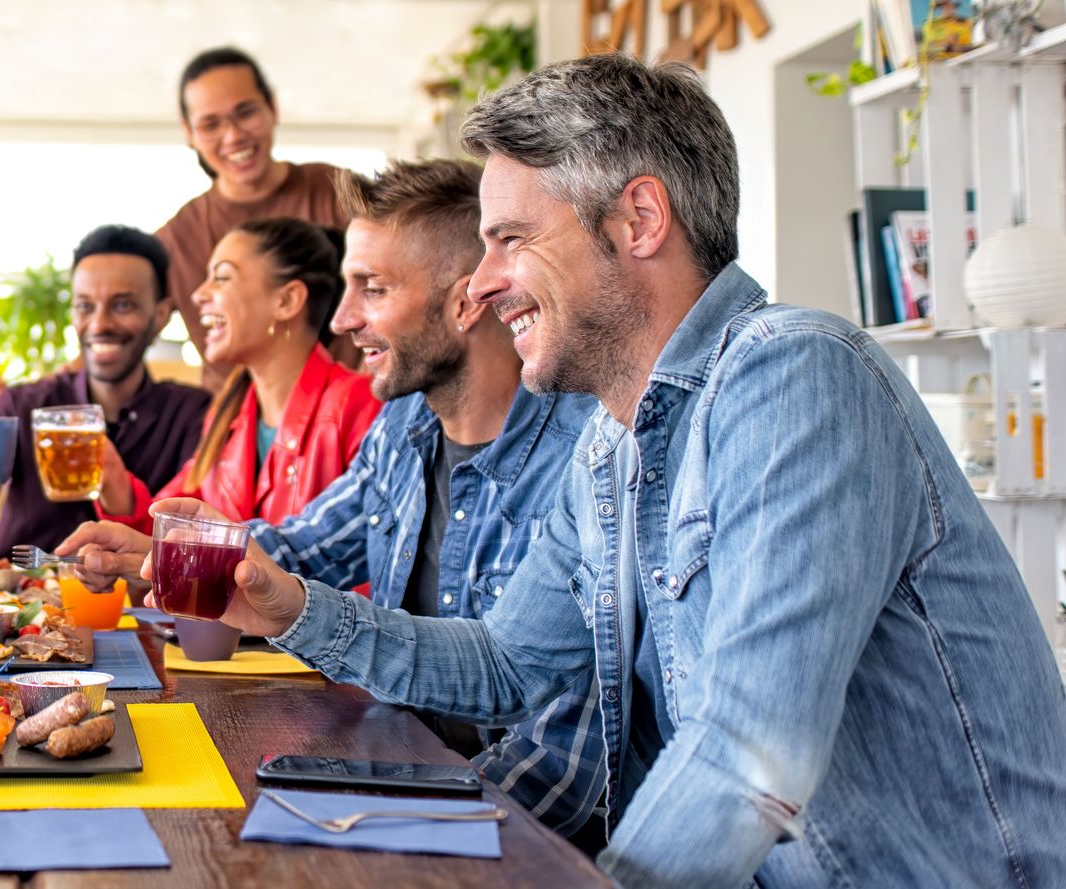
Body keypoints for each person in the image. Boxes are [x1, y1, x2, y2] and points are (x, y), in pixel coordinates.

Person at [111, 56, 1066, 887]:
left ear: (639, 218)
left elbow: (747, 755)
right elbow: (506, 664)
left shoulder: (793, 371)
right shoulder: (612, 443)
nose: (480, 286)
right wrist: (291, 609)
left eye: (510, 239)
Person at [64, 160, 606, 837]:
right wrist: (170, 551)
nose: (344, 318)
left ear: (468, 302)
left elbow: (567, 770)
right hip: (390, 770)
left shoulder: (584, 457)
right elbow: (307, 546)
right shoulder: (405, 426)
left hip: (482, 825)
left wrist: (394, 821)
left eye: (372, 289)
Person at [95, 218, 378, 538]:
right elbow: (165, 532)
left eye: (222, 277)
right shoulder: (229, 417)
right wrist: (115, 482)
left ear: (286, 301)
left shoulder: (360, 406)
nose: (199, 294)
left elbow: (366, 561)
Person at [0, 225, 211, 558]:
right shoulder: (24, 404)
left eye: (122, 306)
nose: (100, 324)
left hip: (135, 605)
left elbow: (194, 539)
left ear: (160, 315)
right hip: (15, 599)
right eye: (85, 306)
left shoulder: (194, 414)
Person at [158, 46, 356, 393]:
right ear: (188, 132)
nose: (233, 136)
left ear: (273, 108)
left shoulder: (339, 195)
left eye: (245, 113)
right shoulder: (177, 239)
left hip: (350, 421)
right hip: (238, 430)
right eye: (210, 124)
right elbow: (120, 315)